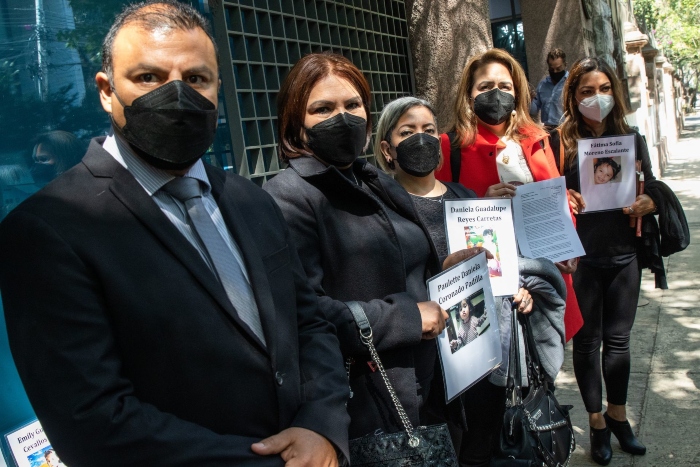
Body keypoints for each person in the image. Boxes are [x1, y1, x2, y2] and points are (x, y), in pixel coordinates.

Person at [0, 2, 349, 466]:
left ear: (217, 88)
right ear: (106, 91)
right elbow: (91, 419)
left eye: (197, 79)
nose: (177, 95)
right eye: (148, 77)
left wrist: (320, 427)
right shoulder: (47, 229)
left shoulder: (251, 200)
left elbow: (308, 323)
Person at [263, 53, 482, 445]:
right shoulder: (288, 194)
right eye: (323, 109)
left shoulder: (373, 181)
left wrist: (442, 272)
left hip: (427, 377)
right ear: (296, 122)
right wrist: (407, 319)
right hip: (368, 398)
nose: (342, 118)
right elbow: (303, 310)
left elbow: (399, 262)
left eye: (352, 105)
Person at [375, 95, 549, 466]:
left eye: (428, 130)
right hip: (424, 363)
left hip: (478, 351)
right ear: (387, 150)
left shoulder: (466, 198)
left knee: (481, 445)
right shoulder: (381, 208)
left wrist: (515, 289)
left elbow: (495, 266)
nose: (420, 139)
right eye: (407, 132)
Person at [434, 48, 583, 343]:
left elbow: (557, 202)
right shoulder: (450, 147)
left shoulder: (539, 139)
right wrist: (480, 204)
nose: (496, 93)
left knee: (544, 370)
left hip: (544, 280)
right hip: (492, 285)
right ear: (469, 94)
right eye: (485, 87)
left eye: (505, 86)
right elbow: (441, 219)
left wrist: (567, 247)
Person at [550, 56, 654, 465]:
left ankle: (619, 416)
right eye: (587, 91)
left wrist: (650, 201)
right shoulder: (560, 143)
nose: (597, 98)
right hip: (582, 259)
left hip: (624, 255)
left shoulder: (632, 138)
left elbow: (652, 185)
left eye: (605, 89)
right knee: (588, 342)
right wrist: (564, 197)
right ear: (573, 97)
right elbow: (544, 190)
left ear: (616, 92)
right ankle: (596, 422)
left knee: (620, 342)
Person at [530, 48, 568, 131]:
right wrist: (530, 99)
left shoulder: (571, 83)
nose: (555, 72)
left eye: (558, 69)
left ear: (565, 65)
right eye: (552, 69)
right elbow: (534, 110)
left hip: (567, 128)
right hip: (548, 130)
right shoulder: (543, 85)